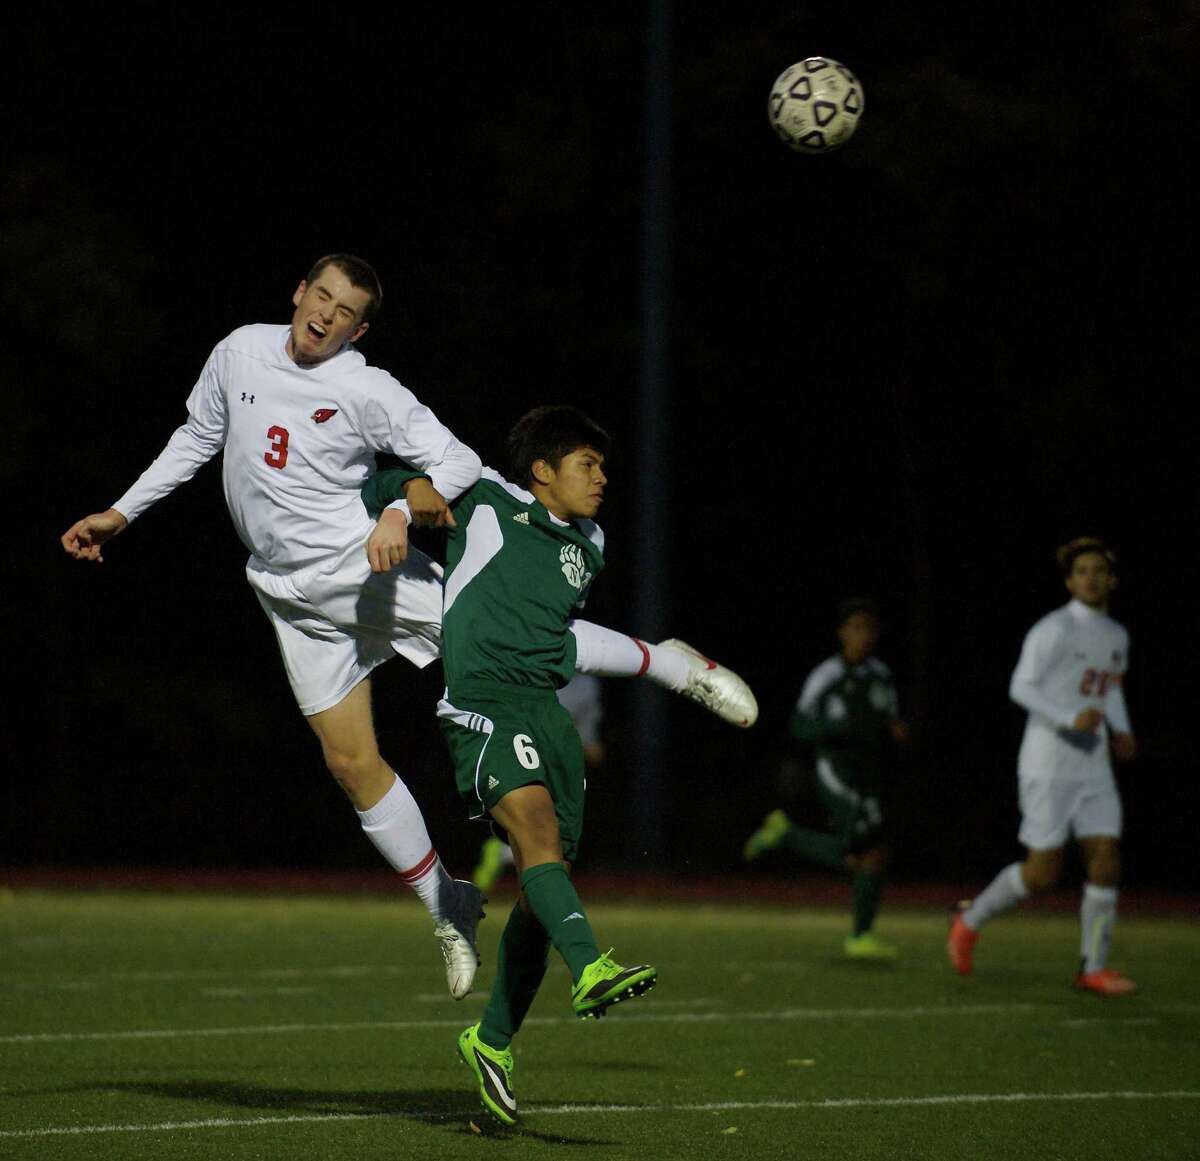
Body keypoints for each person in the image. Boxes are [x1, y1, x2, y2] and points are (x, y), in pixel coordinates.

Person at [60, 254, 757, 1003]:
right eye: (318, 296)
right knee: (350, 762)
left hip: (366, 572)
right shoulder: (238, 350)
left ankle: (670, 662)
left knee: (513, 641)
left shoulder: (365, 386)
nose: (324, 315)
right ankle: (448, 903)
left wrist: (396, 513)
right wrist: (121, 511)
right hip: (288, 594)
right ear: (298, 292)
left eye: (343, 311)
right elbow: (196, 437)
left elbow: (454, 459)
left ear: (359, 330)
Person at [363, 406, 755, 1126]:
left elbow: (556, 639)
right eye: (588, 463)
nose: (603, 478)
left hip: (549, 714)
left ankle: (491, 1040)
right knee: (536, 838)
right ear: (542, 470)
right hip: (483, 704)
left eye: (604, 466)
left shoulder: (590, 543)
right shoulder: (480, 495)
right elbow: (381, 477)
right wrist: (398, 502)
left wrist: (659, 661)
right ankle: (594, 967)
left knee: (548, 888)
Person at [947, 538, 1137, 996]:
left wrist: (1121, 729)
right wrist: (1071, 717)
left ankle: (1092, 967)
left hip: (1094, 766)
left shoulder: (1116, 636)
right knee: (1042, 873)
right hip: (1048, 763)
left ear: (1111, 579)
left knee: (1107, 859)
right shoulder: (1053, 629)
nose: (1090, 578)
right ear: (1070, 581)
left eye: (1098, 570)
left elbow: (1108, 689)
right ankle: (970, 919)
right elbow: (1021, 687)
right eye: (1081, 571)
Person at [742, 597, 908, 959]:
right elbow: (799, 725)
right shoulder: (827, 675)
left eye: (869, 629)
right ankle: (860, 937)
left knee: (863, 855)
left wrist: (895, 730)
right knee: (871, 852)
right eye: (856, 628)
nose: (863, 636)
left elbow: (889, 718)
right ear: (842, 633)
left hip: (869, 774)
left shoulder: (880, 676)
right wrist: (836, 727)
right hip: (836, 771)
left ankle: (788, 834)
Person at [472, 673, 605, 893]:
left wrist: (589, 743)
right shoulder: (535, 665)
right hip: (525, 752)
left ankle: (505, 853)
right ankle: (542, 892)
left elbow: (585, 728)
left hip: (561, 759)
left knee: (549, 834)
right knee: (544, 834)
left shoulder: (587, 683)